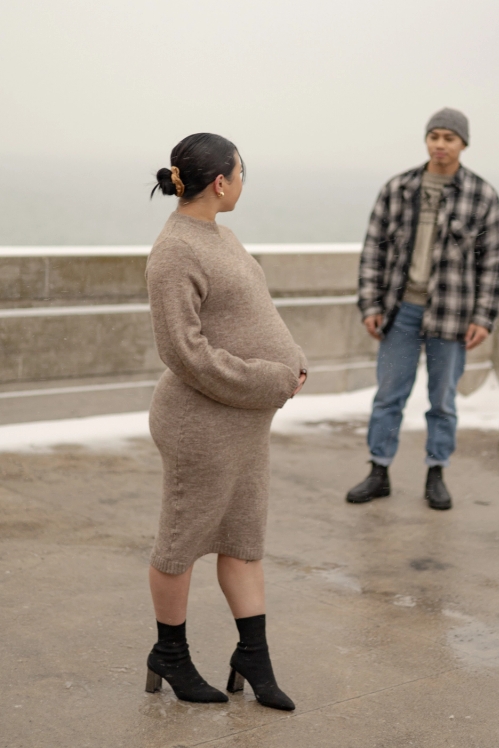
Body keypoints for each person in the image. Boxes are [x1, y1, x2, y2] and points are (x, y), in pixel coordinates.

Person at [145, 132, 307, 711]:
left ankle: (253, 657)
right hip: (199, 424)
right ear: (221, 181)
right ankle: (169, 655)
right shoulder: (174, 251)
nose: (243, 181)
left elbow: (250, 312)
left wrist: (292, 361)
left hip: (243, 423)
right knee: (180, 544)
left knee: (243, 540)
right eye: (241, 171)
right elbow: (182, 352)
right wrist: (269, 379)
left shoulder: (221, 236)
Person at [347, 108, 499, 510]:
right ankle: (378, 470)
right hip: (401, 312)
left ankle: (437, 473)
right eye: (434, 136)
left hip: (451, 316)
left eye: (449, 138)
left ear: (463, 144)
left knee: (443, 401)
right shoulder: (398, 188)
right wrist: (370, 304)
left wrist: (483, 317)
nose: (440, 144)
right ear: (426, 140)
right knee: (388, 397)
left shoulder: (481, 195)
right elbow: (373, 251)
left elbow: (493, 264)